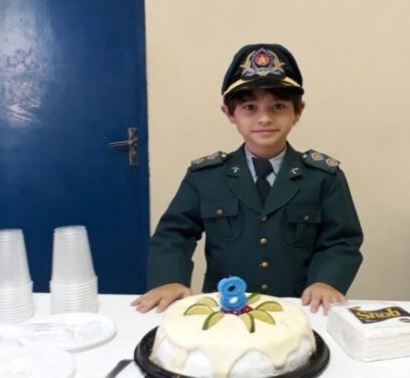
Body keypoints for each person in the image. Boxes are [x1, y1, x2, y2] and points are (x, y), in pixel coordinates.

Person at [132, 44, 363, 315]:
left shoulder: (322, 177)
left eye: (278, 106)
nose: (264, 118)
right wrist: (169, 279)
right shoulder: (206, 177)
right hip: (223, 309)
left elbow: (341, 240)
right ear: (230, 114)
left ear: (298, 112)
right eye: (250, 107)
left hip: (298, 308)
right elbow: (173, 234)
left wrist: (327, 281)